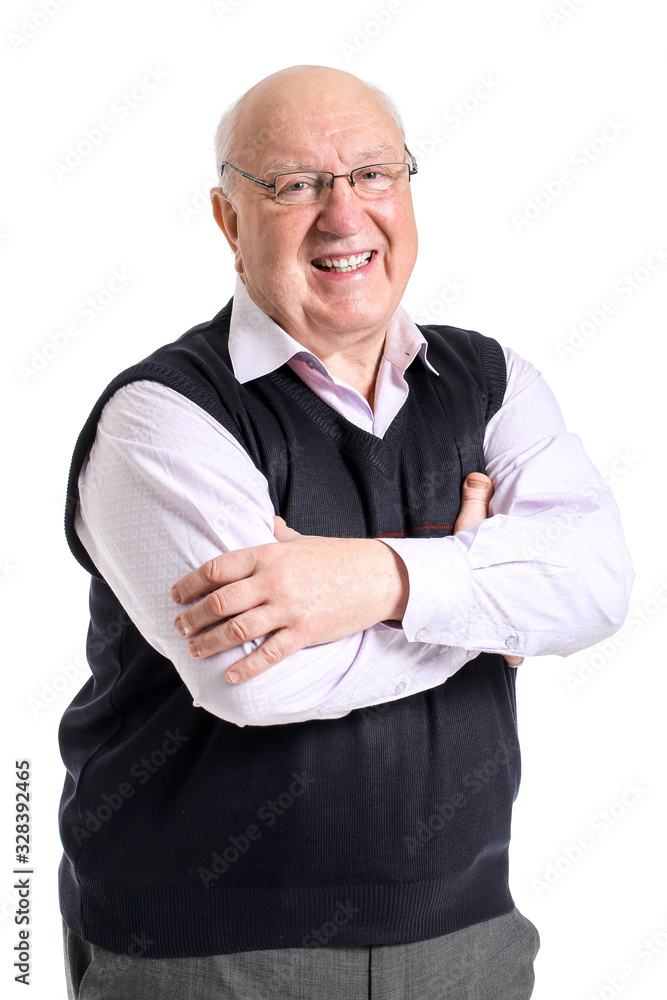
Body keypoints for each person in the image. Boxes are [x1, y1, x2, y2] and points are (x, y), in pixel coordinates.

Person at [59, 65, 633, 999]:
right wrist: (484, 605)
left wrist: (375, 584)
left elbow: (597, 587)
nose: (344, 214)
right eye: (293, 185)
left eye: (373, 174)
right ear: (227, 221)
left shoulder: (490, 381)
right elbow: (264, 679)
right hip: (204, 953)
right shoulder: (161, 415)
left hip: (469, 933)